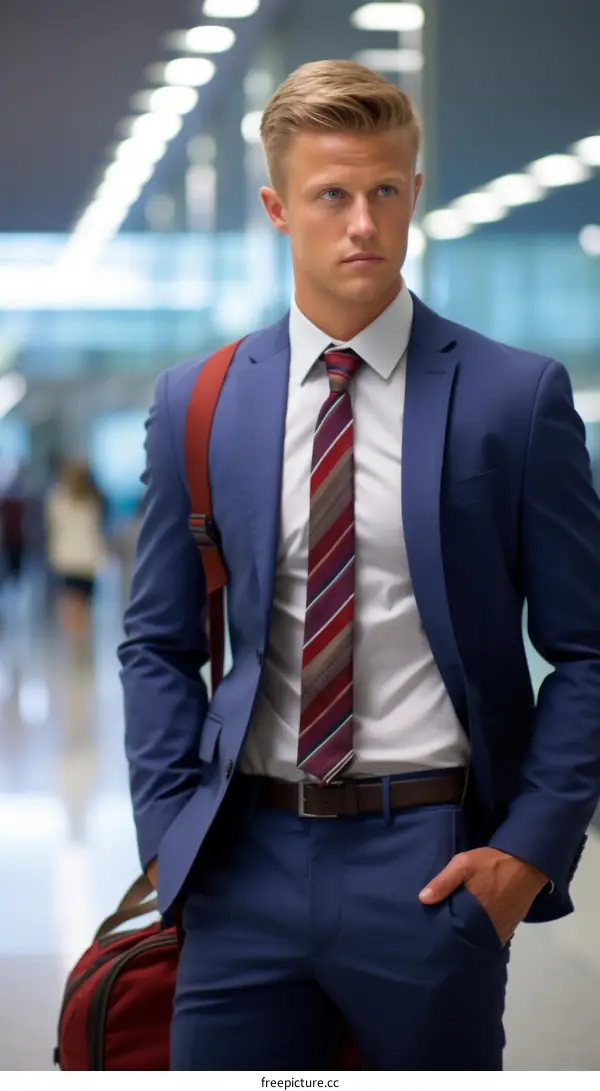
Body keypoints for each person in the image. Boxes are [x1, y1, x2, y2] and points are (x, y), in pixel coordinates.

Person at [119, 60, 600, 1070]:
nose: (363, 224)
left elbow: (589, 648)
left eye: (385, 190)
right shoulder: (198, 402)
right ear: (277, 209)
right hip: (242, 861)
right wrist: (168, 834)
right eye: (331, 195)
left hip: (428, 861)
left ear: (415, 191)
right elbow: (157, 640)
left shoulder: (515, 398)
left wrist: (527, 851)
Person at [45, 459, 105, 652]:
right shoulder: (93, 500)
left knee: (72, 600)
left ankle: (74, 638)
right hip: (87, 558)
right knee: (83, 602)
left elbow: (53, 526)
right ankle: (81, 637)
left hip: (68, 558)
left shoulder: (58, 499)